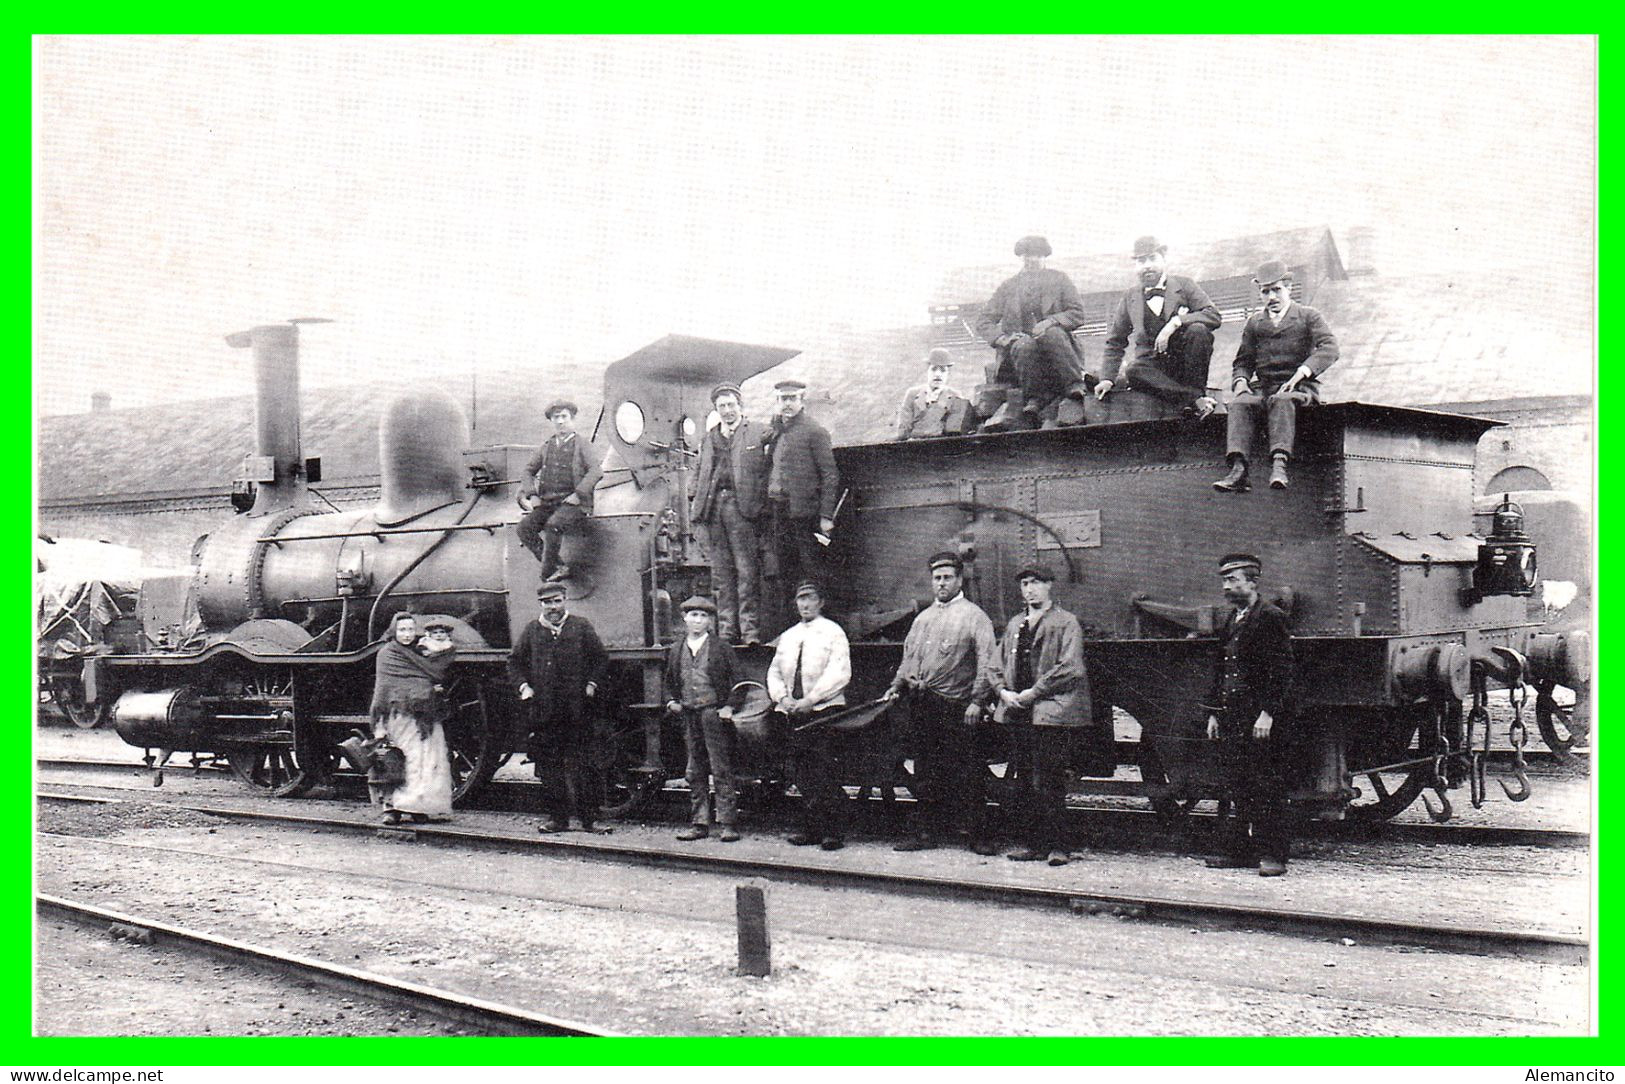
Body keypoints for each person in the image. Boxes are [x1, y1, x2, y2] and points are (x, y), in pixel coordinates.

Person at [882, 552, 1001, 854]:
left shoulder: (975, 616)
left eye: (948, 578)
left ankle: (978, 836)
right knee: (925, 770)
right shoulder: (922, 619)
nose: (942, 583)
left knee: (968, 772)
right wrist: (897, 686)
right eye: (937, 578)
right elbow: (908, 658)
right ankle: (926, 833)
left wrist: (977, 700)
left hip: (958, 707)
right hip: (923, 705)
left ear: (959, 580)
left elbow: (988, 661)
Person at [1204, 553, 1296, 876]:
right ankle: (1242, 851)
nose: (1226, 586)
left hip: (1259, 719)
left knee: (1267, 785)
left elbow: (1282, 671)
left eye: (1233, 580)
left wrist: (1268, 713)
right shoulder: (1233, 618)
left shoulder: (1270, 617)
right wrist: (1215, 713)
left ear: (1252, 582)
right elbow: (1222, 669)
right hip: (1233, 715)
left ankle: (1274, 856)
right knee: (1238, 783)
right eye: (1225, 580)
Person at [1214, 261, 1340, 493]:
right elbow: (1243, 361)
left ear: (1289, 287)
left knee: (1281, 402)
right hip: (1263, 387)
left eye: (1276, 290)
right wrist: (1240, 382)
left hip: (1299, 388)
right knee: (1240, 403)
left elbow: (1330, 347)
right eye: (1265, 291)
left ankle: (1280, 465)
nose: (1271, 296)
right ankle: (1239, 469)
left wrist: (1302, 372)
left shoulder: (1308, 316)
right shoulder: (1255, 323)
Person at [992, 567, 1089, 866]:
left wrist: (1034, 692)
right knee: (1023, 779)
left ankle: (1058, 846)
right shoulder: (1015, 624)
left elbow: (1071, 667)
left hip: (1050, 712)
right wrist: (1002, 692)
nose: (1029, 589)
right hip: (1019, 711)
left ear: (1049, 586)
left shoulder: (1066, 622)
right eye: (1024, 584)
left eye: (1035, 583)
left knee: (1049, 780)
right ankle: (1033, 845)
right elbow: (995, 663)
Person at [508, 581, 610, 834]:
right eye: (547, 602)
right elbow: (514, 662)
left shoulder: (581, 626)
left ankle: (590, 820)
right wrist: (524, 687)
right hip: (545, 711)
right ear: (540, 604)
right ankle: (558, 819)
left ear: (565, 600)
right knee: (550, 766)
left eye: (556, 601)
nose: (552, 607)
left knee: (584, 764)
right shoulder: (532, 630)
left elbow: (600, 658)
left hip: (577, 710)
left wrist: (592, 684)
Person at [767, 581, 853, 850]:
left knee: (824, 769)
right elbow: (775, 672)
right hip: (794, 711)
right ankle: (811, 829)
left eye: (810, 599)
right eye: (800, 599)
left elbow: (840, 673)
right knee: (802, 772)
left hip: (824, 711)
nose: (804, 604)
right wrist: (782, 698)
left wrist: (811, 700)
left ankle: (832, 832)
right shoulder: (789, 636)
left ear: (821, 602)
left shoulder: (833, 633)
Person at [1097, 235, 1223, 419]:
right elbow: (1115, 342)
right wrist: (1107, 379)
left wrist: (1176, 322)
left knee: (1199, 330)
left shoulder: (1184, 285)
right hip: (1152, 370)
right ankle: (1195, 400)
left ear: (1163, 259)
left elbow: (1213, 314)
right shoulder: (1130, 297)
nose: (1147, 265)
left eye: (1152, 258)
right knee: (1132, 370)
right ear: (1136, 266)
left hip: (1184, 365)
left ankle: (1194, 394)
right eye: (1141, 261)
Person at [973, 235, 1090, 430]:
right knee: (1023, 344)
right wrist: (1003, 339)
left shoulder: (1060, 279)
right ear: (1021, 257)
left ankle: (1074, 385)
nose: (1033, 259)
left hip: (1058, 350)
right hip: (1021, 357)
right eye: (1027, 255)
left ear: (1045, 256)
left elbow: (1077, 313)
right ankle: (1034, 399)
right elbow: (983, 321)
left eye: (1038, 255)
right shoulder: (1008, 287)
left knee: (1052, 333)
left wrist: (1051, 321)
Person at [691, 382, 769, 645]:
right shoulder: (709, 438)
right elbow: (698, 474)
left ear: (740, 406)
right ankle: (726, 631)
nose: (727, 411)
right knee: (721, 575)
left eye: (731, 405)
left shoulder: (757, 432)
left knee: (746, 572)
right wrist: (696, 505)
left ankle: (750, 632)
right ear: (716, 409)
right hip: (714, 511)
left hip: (742, 509)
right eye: (721, 406)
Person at [664, 596, 744, 842]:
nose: (698, 620)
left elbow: (739, 682)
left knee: (720, 767)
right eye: (693, 615)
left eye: (703, 616)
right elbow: (670, 679)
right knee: (694, 769)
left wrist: (730, 706)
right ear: (684, 618)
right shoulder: (677, 648)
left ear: (710, 621)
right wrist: (671, 700)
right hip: (689, 714)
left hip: (712, 713)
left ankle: (727, 823)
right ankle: (699, 823)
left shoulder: (721, 647)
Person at [764, 379, 840, 631]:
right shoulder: (776, 432)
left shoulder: (814, 431)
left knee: (812, 568)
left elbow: (830, 474)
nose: (787, 404)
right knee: (784, 569)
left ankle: (822, 624)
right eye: (782, 399)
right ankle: (792, 626)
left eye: (792, 398)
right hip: (779, 511)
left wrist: (826, 516)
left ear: (801, 401)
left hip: (805, 513)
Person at [368, 611, 454, 824]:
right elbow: (385, 687)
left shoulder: (419, 652)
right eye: (402, 630)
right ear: (394, 631)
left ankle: (417, 805)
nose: (407, 634)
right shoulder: (386, 654)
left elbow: (435, 669)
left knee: (425, 760)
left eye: (410, 630)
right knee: (396, 759)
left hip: (424, 715)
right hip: (398, 715)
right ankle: (392, 807)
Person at [516, 400, 603, 581]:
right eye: (556, 417)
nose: (560, 421)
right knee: (524, 528)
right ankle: (558, 566)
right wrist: (532, 495)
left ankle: (547, 574)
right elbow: (527, 471)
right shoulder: (546, 447)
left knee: (553, 525)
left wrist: (578, 494)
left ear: (572, 419)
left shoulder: (582, 444)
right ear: (552, 421)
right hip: (547, 503)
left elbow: (596, 471)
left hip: (573, 504)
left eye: (564, 417)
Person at [894, 348, 971, 440]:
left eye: (943, 370)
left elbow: (956, 431)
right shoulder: (912, 394)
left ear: (948, 374)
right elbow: (903, 429)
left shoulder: (955, 396)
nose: (938, 374)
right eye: (934, 369)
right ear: (927, 371)